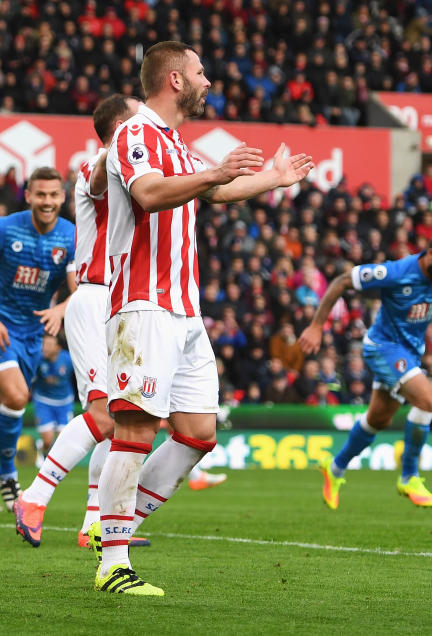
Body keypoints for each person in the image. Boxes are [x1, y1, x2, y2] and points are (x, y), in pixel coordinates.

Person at [90, 40, 312, 596]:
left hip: (184, 311)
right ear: (173, 80)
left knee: (198, 433)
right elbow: (149, 193)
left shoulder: (173, 141)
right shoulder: (135, 134)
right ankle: (114, 562)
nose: (208, 80)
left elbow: (213, 193)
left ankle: (115, 528)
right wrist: (213, 175)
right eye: (199, 71)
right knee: (137, 428)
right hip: (142, 303)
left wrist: (274, 181)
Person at [14, 95, 149, 549]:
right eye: (138, 112)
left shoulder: (135, 167)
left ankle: (95, 519)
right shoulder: (97, 166)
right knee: (101, 413)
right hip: (93, 298)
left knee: (123, 415)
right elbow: (100, 178)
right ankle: (34, 496)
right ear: (121, 125)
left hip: (124, 303)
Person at [300, 228, 432, 511]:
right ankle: (409, 476)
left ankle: (335, 467)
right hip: (382, 348)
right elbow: (341, 281)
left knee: (378, 420)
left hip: (410, 353)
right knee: (427, 399)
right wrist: (316, 326)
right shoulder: (396, 272)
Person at [0, 166, 76, 521]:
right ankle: (7, 474)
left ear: (62, 197)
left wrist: (62, 309)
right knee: (18, 397)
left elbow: (77, 290)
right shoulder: (3, 228)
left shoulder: (70, 236)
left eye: (54, 195)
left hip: (33, 334)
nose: (47, 201)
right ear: (29, 195)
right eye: (41, 194)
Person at [31, 334, 75, 460]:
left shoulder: (68, 359)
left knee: (62, 439)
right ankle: (44, 449)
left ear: (58, 348)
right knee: (48, 439)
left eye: (49, 345)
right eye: (44, 344)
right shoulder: (37, 359)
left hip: (64, 402)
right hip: (43, 401)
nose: (45, 348)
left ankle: (53, 465)